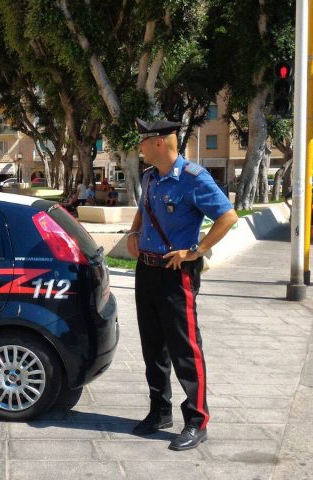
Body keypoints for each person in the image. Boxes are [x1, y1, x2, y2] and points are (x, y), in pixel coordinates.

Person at [126, 119, 237, 451]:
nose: (139, 147)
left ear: (159, 143)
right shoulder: (150, 177)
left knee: (185, 349)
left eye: (143, 142)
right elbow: (144, 210)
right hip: (146, 270)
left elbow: (227, 217)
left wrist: (196, 251)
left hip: (176, 275)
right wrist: (133, 233)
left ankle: (196, 420)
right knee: (152, 347)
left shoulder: (193, 178)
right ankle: (159, 412)